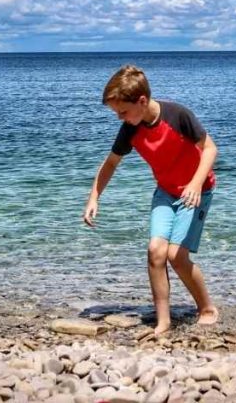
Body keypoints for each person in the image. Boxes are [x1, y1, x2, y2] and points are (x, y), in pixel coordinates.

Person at [83, 64, 219, 335]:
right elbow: (110, 163)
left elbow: (210, 148)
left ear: (142, 101)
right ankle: (163, 322)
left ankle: (207, 308)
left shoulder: (177, 115)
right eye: (116, 113)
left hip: (197, 191)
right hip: (165, 193)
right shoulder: (130, 129)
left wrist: (194, 183)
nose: (120, 118)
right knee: (155, 251)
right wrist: (94, 197)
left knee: (176, 256)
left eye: (123, 111)